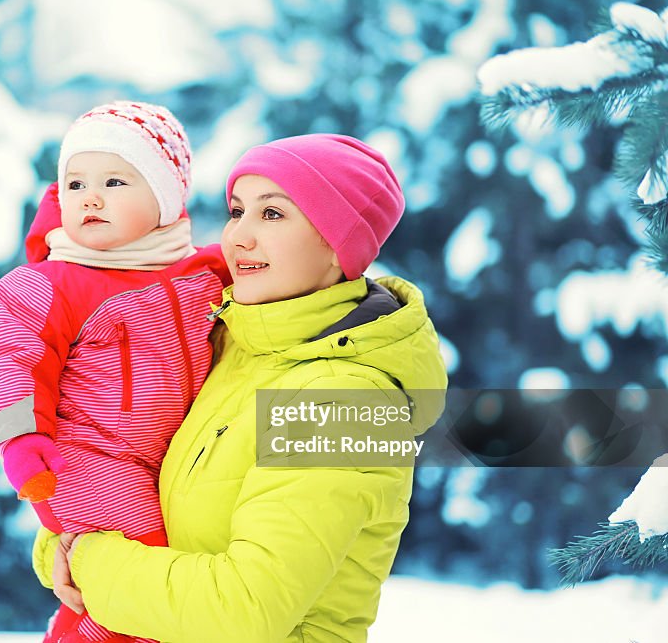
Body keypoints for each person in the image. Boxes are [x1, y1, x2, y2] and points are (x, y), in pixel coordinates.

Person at [33, 134, 449, 642]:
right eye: (236, 210)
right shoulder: (225, 348)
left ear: (338, 242)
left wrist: (87, 560)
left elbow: (244, 610)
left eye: (272, 214)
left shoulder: (347, 402)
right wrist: (59, 548)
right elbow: (119, 472)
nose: (238, 237)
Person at [0, 101, 229, 643]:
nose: (90, 197)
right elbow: (5, 364)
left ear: (165, 198)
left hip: (162, 462)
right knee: (146, 577)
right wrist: (20, 443)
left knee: (127, 590)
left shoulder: (203, 275)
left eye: (115, 181)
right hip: (82, 460)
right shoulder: (51, 284)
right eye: (75, 183)